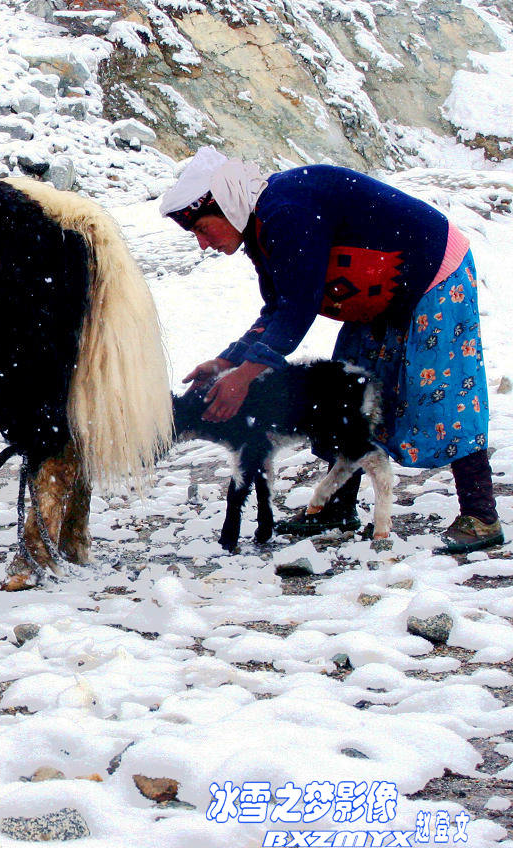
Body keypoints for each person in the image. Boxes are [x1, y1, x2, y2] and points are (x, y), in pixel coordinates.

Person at [162, 146, 502, 554]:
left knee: (445, 390)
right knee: (342, 393)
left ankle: (481, 515)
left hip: (432, 276)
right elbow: (276, 308)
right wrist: (226, 361)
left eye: (202, 229)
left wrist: (245, 375)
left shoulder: (285, 211)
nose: (202, 244)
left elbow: (298, 309)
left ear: (225, 205)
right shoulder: (260, 230)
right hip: (379, 296)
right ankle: (338, 509)